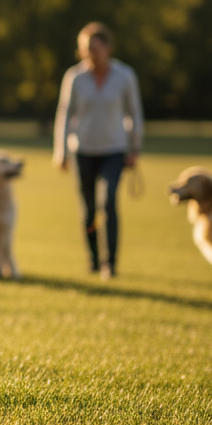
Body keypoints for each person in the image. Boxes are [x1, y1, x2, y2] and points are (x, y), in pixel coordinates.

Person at [52, 22, 144, 279]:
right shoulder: (75, 77)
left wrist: (135, 146)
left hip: (115, 149)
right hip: (83, 151)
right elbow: (65, 114)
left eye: (96, 48)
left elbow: (134, 113)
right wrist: (60, 150)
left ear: (108, 48)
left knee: (108, 202)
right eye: (86, 49)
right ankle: (93, 258)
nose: (91, 53)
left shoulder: (124, 76)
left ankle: (110, 262)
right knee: (89, 209)